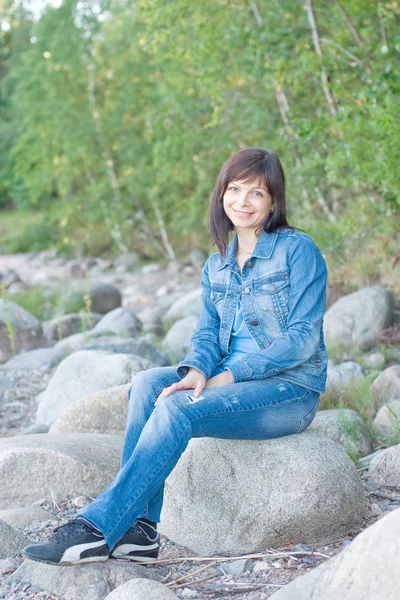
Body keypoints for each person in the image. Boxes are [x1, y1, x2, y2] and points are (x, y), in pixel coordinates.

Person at [23, 147, 328, 566]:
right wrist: (199, 369)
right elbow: (206, 335)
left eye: (256, 193)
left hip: (289, 391)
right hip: (229, 377)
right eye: (234, 189)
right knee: (149, 383)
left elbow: (303, 339)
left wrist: (229, 376)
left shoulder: (298, 251)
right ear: (221, 195)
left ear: (274, 201)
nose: (242, 201)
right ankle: (141, 532)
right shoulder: (216, 265)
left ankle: (98, 527)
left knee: (178, 409)